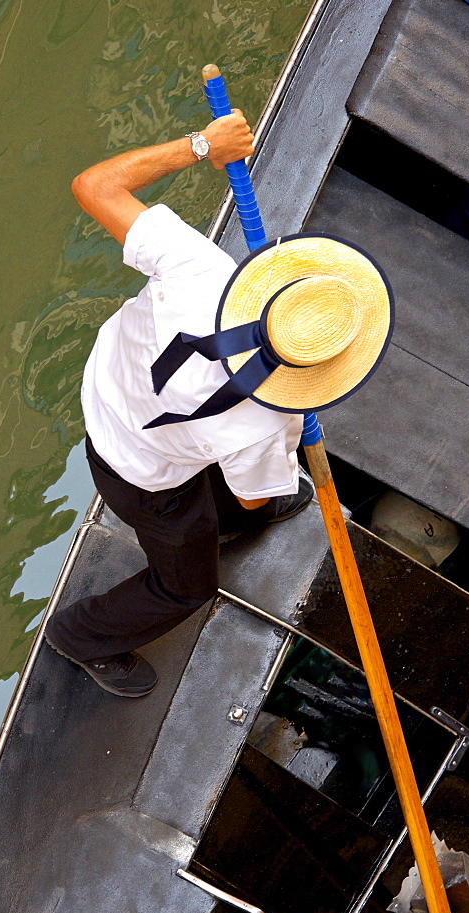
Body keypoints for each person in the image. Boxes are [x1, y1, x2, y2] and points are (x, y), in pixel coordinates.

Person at [45, 111, 313, 698]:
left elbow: (94, 186)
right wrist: (276, 456)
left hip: (105, 401)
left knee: (237, 488)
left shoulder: (206, 270)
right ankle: (80, 636)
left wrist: (203, 146)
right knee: (188, 588)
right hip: (143, 475)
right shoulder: (270, 419)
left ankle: (232, 523)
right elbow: (251, 486)